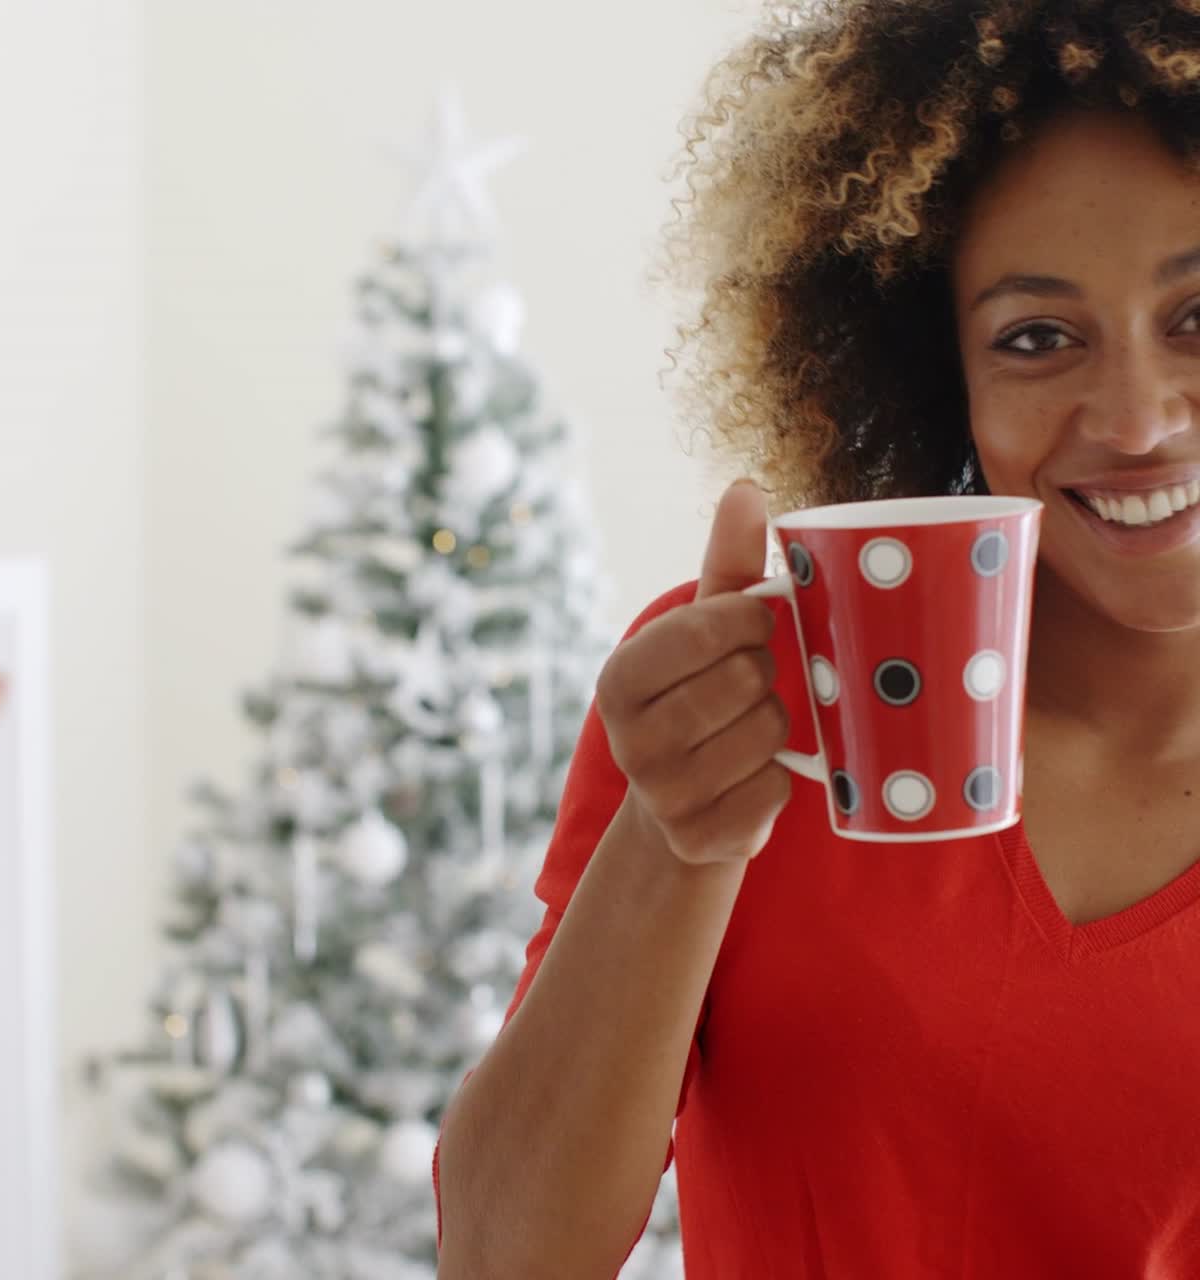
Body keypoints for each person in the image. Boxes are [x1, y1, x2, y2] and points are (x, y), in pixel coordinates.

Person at [433, 1, 1200, 1275]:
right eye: (1034, 337)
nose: (1133, 419)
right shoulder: (743, 695)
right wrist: (673, 842)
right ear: (931, 368)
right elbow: (506, 1254)